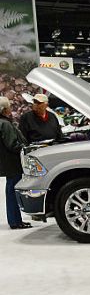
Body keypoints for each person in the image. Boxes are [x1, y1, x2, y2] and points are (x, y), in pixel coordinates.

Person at [0, 97, 30, 229]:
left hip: (7, 163)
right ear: (4, 109)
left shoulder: (4, 122)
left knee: (10, 191)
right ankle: (15, 221)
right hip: (12, 163)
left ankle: (15, 220)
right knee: (12, 192)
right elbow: (12, 144)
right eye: (9, 107)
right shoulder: (5, 124)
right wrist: (26, 148)